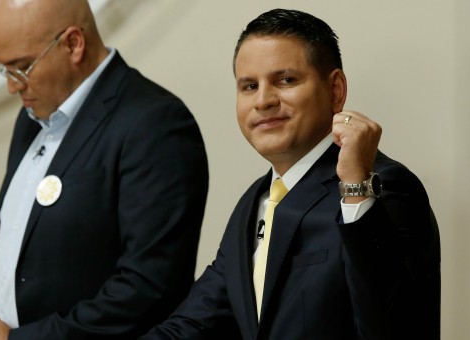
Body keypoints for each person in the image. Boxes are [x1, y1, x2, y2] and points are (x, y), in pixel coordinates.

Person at [0, 0, 209, 338]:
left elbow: (147, 291)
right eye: (2, 69)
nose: (12, 86)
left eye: (22, 67)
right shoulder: (32, 120)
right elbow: (11, 284)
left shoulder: (154, 124)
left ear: (73, 44)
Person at [141, 8, 440, 340]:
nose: (264, 100)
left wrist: (356, 188)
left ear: (336, 90)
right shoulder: (254, 202)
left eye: (285, 80)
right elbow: (192, 325)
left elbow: (397, 327)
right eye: (249, 86)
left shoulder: (383, 185)